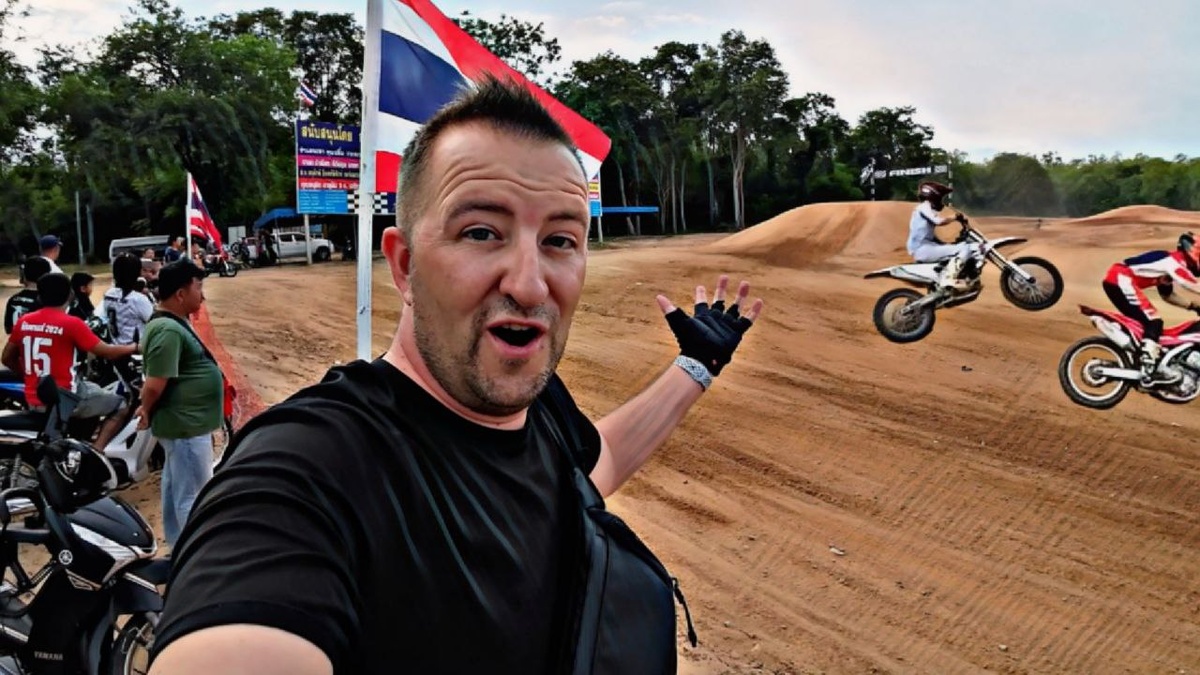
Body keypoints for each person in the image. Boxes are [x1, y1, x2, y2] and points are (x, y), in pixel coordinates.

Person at [147, 77, 764, 675]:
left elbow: (587, 473)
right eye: (481, 232)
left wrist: (695, 368)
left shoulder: (542, 409)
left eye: (560, 240)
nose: (530, 284)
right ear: (405, 265)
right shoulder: (311, 468)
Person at [134, 260, 223, 547]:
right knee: (194, 496)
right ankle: (197, 553)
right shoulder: (168, 330)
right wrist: (146, 409)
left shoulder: (173, 323)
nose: (202, 296)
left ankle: (177, 548)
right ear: (181, 294)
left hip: (185, 424)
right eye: (198, 288)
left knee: (177, 490)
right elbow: (155, 383)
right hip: (186, 426)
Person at [1, 273, 137, 448]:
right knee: (122, 404)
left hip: (34, 398)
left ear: (40, 296)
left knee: (93, 388)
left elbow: (7, 358)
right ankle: (97, 452)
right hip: (67, 398)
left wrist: (28, 375)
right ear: (70, 295)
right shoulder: (72, 323)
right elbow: (108, 352)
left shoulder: (24, 321)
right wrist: (135, 347)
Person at [1102, 231, 1200, 384]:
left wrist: (1193, 307)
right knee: (1154, 321)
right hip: (1122, 279)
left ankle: (1136, 361)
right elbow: (1191, 283)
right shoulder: (1174, 261)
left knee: (1144, 326)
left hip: (1117, 280)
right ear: (1192, 250)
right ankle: (1148, 363)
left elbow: (1167, 295)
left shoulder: (1168, 266)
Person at [907, 181, 983, 292]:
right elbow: (939, 221)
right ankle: (949, 278)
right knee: (964, 248)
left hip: (925, 247)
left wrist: (945, 244)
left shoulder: (925, 209)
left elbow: (929, 236)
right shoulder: (923, 207)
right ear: (934, 196)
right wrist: (954, 217)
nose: (941, 202)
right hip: (922, 249)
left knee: (956, 248)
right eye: (940, 198)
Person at [101, 254, 155, 346]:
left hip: (114, 346)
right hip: (134, 348)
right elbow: (155, 323)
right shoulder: (138, 299)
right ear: (137, 273)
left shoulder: (108, 294)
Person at [4, 257, 51, 334]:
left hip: (16, 340)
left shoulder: (13, 299)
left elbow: (8, 329)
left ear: (24, 275)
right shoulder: (47, 301)